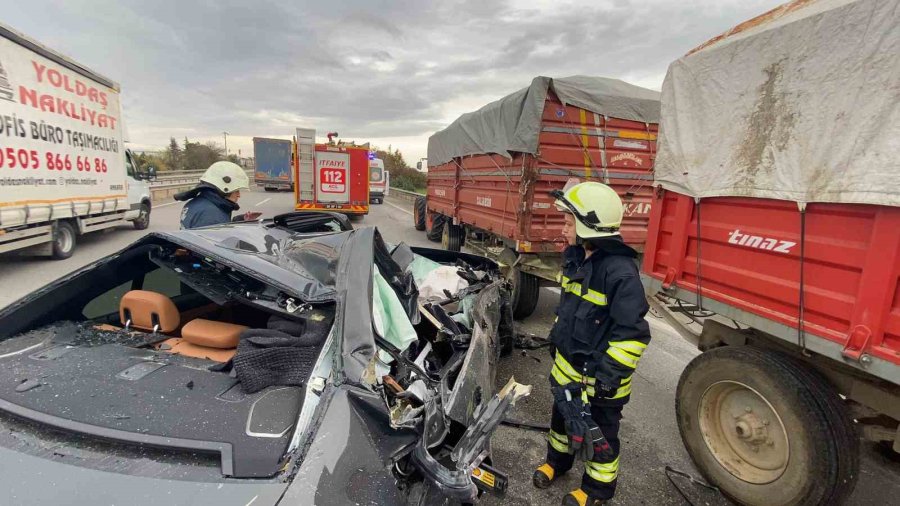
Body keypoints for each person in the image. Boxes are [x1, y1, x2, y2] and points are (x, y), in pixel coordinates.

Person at [532, 181, 651, 506]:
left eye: (569, 222)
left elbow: (632, 336)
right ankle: (557, 463)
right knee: (560, 423)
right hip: (568, 376)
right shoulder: (576, 259)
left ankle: (597, 491)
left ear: (590, 227)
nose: (564, 227)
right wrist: (556, 337)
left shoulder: (621, 274)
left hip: (599, 384)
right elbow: (569, 309)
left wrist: (608, 379)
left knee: (601, 440)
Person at [175, 161, 253, 229]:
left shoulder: (197, 203)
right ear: (224, 188)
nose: (239, 195)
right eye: (236, 191)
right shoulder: (211, 215)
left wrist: (239, 220)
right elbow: (219, 243)